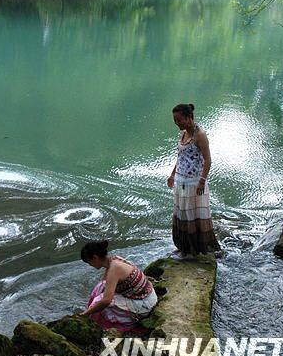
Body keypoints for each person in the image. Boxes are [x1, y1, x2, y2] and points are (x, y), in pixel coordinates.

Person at [168, 103, 220, 257]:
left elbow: (208, 160)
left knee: (193, 217)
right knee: (182, 214)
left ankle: (195, 249)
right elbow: (180, 157)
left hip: (194, 183)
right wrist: (172, 175)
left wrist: (202, 181)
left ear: (189, 118)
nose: (177, 123)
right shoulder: (184, 133)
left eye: (179, 120)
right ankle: (184, 247)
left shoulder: (200, 135)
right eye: (175, 120)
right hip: (180, 181)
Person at [80, 240, 157, 333]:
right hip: (148, 295)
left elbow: (106, 301)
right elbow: (103, 283)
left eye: (89, 262)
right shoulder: (113, 260)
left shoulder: (114, 269)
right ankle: (91, 315)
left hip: (145, 304)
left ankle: (105, 325)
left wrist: (85, 313)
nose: (90, 265)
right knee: (100, 287)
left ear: (95, 258)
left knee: (99, 302)